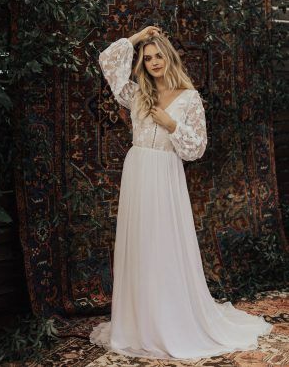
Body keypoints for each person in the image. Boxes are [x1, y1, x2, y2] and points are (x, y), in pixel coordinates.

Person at [89, 26, 273, 361]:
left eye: (159, 55)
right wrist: (138, 36)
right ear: (142, 64)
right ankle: (140, 322)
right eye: (148, 58)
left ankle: (170, 320)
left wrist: (172, 124)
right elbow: (108, 60)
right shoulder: (136, 94)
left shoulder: (188, 98)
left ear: (169, 58)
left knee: (164, 243)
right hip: (138, 171)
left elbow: (197, 148)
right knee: (140, 244)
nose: (154, 62)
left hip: (165, 172)